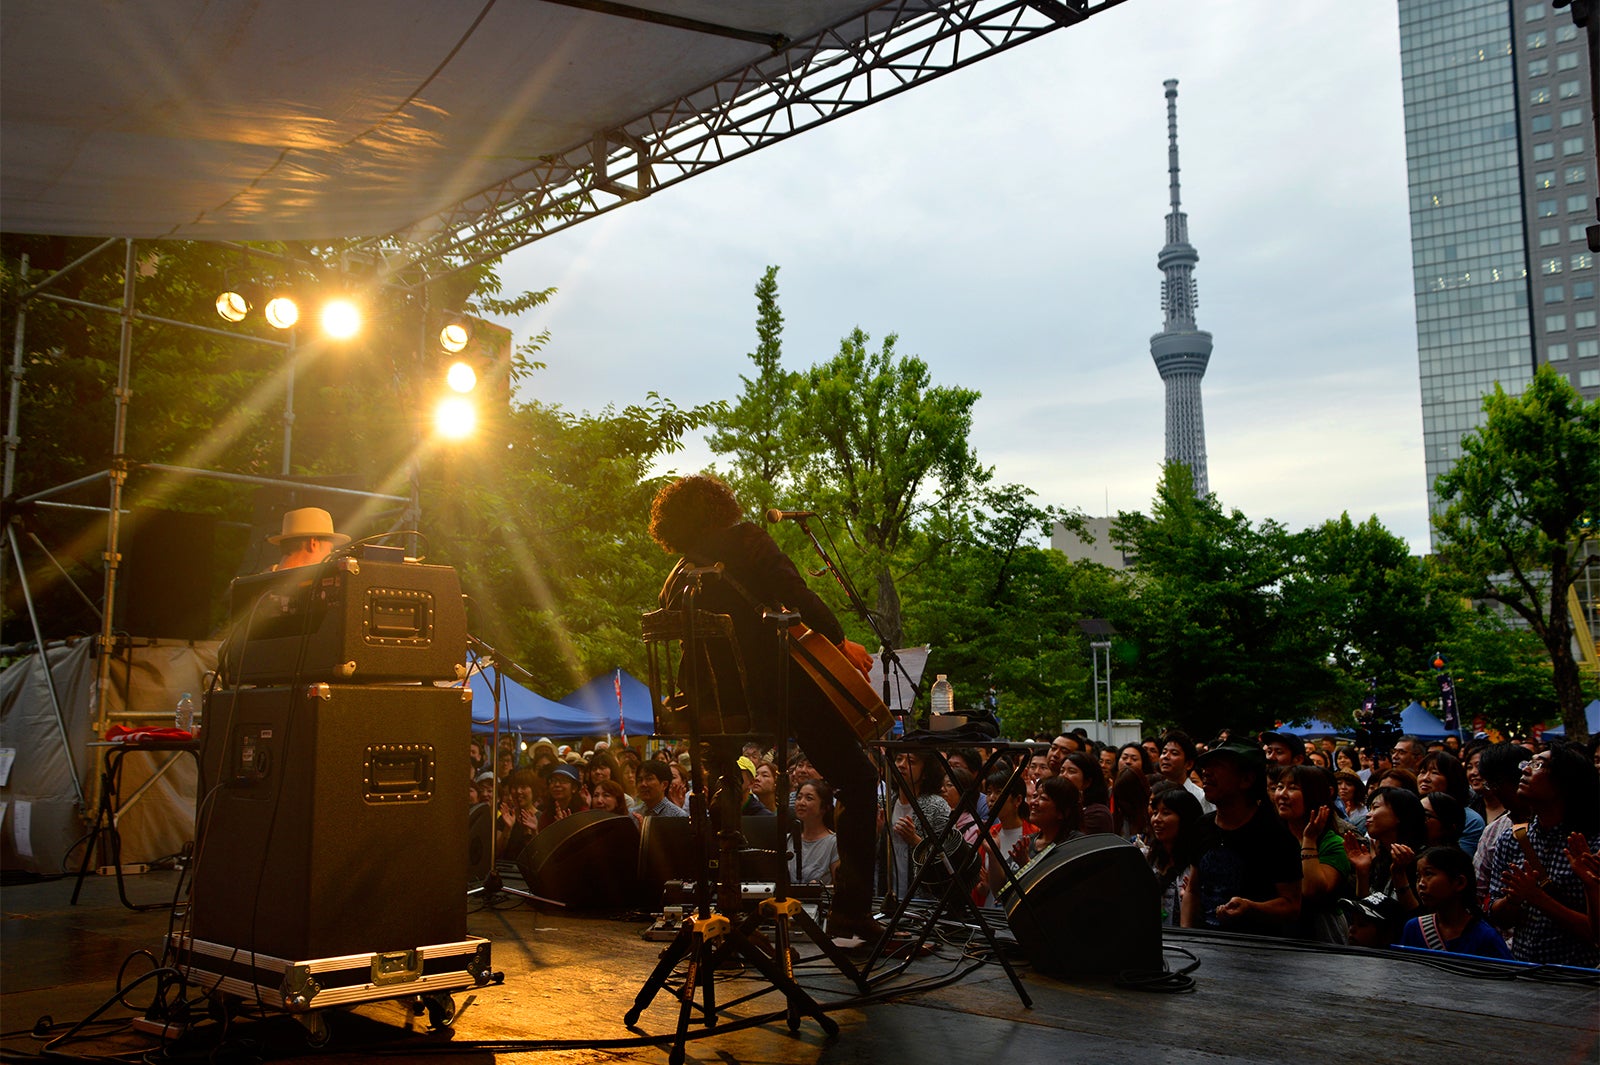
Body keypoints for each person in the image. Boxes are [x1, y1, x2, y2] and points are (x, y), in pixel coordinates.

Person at [648, 474, 881, 943]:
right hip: (778, 695)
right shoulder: (748, 541)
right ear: (721, 506)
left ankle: (724, 906)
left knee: (725, 783)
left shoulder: (677, 578)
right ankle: (852, 919)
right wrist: (839, 640)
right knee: (858, 780)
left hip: (712, 711)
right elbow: (800, 598)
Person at [1486, 742, 1600, 967]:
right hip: (1524, 971)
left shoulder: (1591, 845)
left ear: (1565, 783)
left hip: (1580, 977)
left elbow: (1595, 933)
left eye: (1539, 765)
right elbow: (1495, 914)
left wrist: (1538, 898)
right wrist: (1513, 900)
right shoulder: (1512, 839)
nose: (1526, 769)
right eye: (1528, 763)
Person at [1182, 742, 1301, 936]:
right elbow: (1193, 891)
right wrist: (1187, 936)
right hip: (1207, 948)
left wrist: (1251, 908)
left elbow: (1292, 905)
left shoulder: (1275, 836)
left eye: (1218, 766)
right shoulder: (1202, 826)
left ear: (1246, 780)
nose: (1206, 773)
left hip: (1257, 952)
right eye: (1206, 766)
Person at [1270, 765, 1353, 943]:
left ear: (1313, 796)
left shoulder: (1333, 844)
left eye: (1292, 788)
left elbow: (1312, 892)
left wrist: (1309, 840)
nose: (1282, 794)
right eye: (1279, 786)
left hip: (1318, 935)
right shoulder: (1271, 836)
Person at [1398, 846, 1512, 960]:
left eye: (1429, 874)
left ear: (1459, 882)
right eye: (1418, 877)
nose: (1421, 884)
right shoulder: (1414, 929)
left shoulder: (1486, 937)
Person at [1344, 786, 1427, 914]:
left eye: (1375, 808)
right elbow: (1367, 912)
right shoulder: (1381, 859)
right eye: (1369, 809)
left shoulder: (1421, 860)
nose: (1367, 815)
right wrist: (1362, 871)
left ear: (1400, 814)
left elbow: (1416, 916)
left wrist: (1399, 875)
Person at [888, 749, 952, 901]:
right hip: (887, 896)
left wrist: (915, 841)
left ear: (925, 773)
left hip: (923, 902)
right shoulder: (885, 801)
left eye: (911, 762)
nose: (902, 765)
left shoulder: (937, 806)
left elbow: (948, 859)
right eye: (899, 759)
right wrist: (876, 833)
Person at [1145, 783, 1203, 927]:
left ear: (1185, 818)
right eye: (1155, 812)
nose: (1157, 819)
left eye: (1166, 813)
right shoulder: (1151, 858)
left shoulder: (1198, 863)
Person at [981, 764, 1038, 908]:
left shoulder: (1034, 834)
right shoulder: (988, 834)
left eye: (999, 792)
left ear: (1018, 800)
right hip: (991, 916)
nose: (991, 799)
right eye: (988, 792)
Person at [1417, 750, 1486, 856]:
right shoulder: (1413, 809)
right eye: (1422, 772)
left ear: (1452, 779)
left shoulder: (1471, 820)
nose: (1425, 778)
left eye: (1435, 773)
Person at [790, 779, 840, 887]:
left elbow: (839, 887)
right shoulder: (788, 839)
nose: (801, 803)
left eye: (809, 798)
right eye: (799, 797)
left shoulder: (834, 843)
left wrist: (820, 888)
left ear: (824, 807)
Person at [268, 506, 350, 570]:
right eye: (330, 549)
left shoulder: (261, 584)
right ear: (313, 543)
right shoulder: (310, 586)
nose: (330, 557)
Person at [1059, 750, 1113, 833]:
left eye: (1071, 771)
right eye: (1062, 771)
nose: (1063, 776)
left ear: (1087, 782)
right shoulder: (1061, 806)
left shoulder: (1098, 814)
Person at [1158, 730, 1212, 813]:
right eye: (1164, 752)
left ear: (1189, 764)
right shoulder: (1155, 792)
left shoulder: (1201, 797)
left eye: (1174, 753)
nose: (1166, 756)